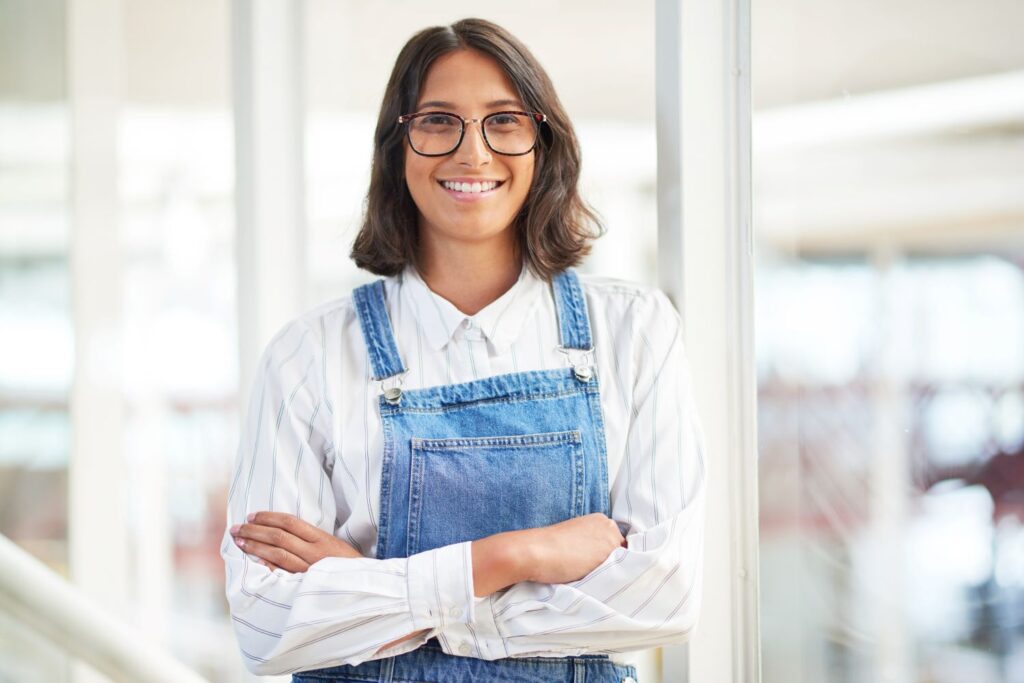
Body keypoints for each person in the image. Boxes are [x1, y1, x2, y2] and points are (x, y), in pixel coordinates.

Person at [222, 17, 707, 683]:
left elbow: (663, 595)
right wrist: (512, 555)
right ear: (398, 146)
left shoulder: (635, 332)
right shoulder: (308, 356)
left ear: (544, 142)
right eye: (438, 121)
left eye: (503, 121)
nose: (472, 153)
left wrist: (375, 589)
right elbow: (267, 625)